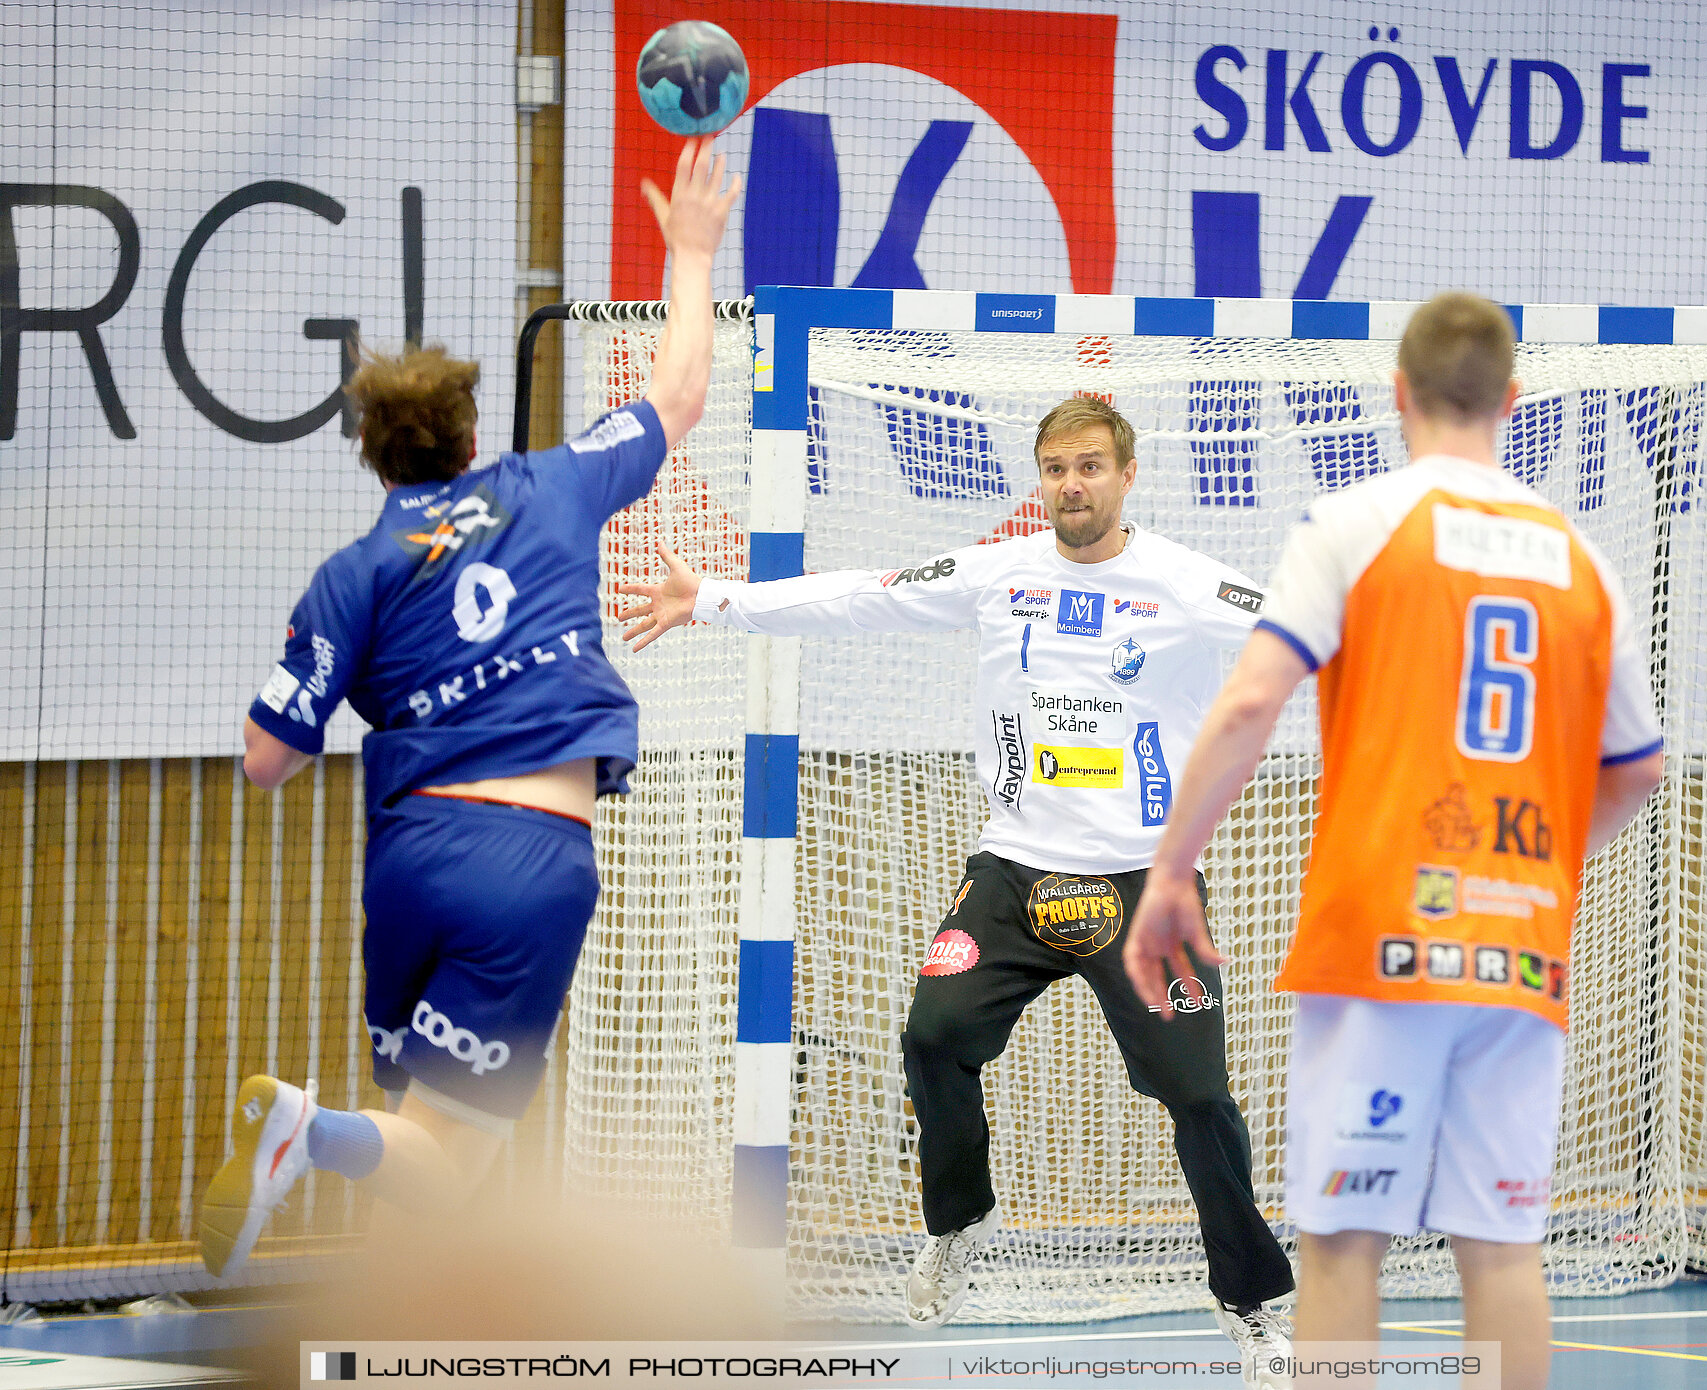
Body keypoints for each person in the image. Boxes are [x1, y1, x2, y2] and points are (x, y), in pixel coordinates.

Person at [621, 396, 1296, 1380]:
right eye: (1057, 467)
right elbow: (862, 595)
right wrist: (717, 597)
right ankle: (961, 1222)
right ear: (1042, 480)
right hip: (1016, 871)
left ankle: (1251, 1301)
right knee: (932, 1035)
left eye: (1092, 466)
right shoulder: (999, 574)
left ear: (1127, 474)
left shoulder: (1188, 584)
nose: (1073, 484)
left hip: (1145, 883)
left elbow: (1307, 631)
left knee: (1196, 1094)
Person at [196, 139, 741, 1281]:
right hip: (530, 861)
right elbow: (681, 390)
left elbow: (262, 760)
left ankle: (372, 1340)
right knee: (452, 1162)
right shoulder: (550, 483)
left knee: (421, 1138)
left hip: (411, 856)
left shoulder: (353, 570)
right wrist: (690, 250)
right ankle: (309, 1129)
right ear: (471, 438)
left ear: (371, 454)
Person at [1121, 292, 1664, 1389]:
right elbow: (1638, 768)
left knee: (1344, 1243)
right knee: (1504, 1248)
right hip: (1518, 950)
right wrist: (1537, 872)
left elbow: (1248, 702)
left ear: (1398, 393)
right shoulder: (1582, 560)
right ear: (1512, 401)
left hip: (1380, 940)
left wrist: (1171, 869)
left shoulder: (1357, 523)